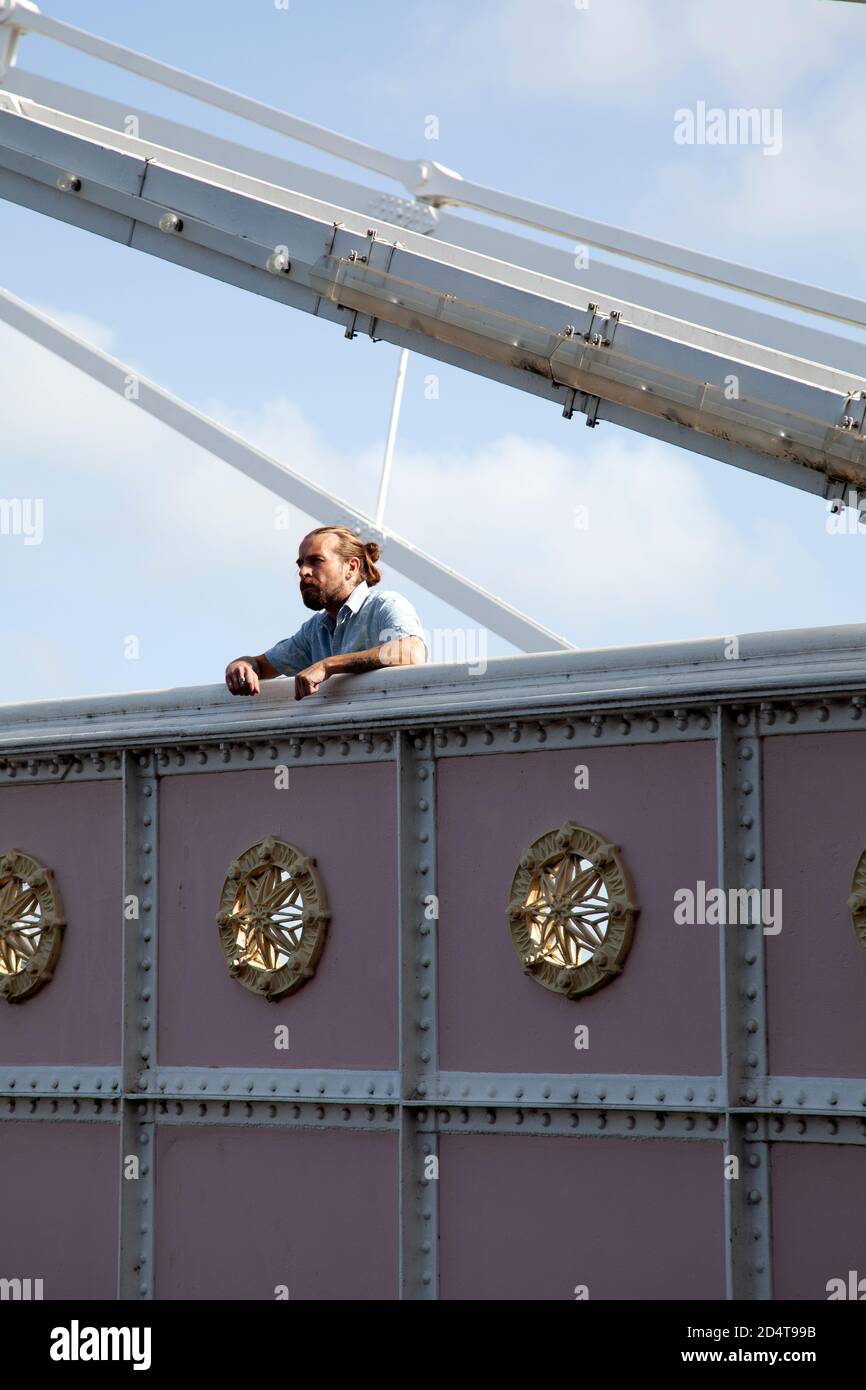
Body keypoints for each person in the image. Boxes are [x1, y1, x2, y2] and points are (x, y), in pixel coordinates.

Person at [225, 525, 427, 701]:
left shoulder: (385, 605)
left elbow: (411, 652)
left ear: (351, 567)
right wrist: (242, 665)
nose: (303, 571)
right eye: (301, 563)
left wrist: (328, 666)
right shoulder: (315, 630)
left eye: (316, 561)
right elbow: (261, 666)